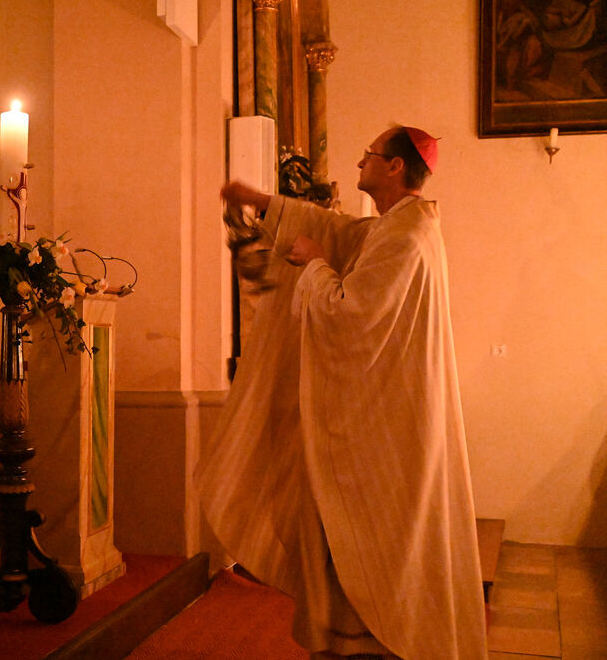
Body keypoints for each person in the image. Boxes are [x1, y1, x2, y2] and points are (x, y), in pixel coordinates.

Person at [198, 126, 487, 659]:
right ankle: (350, 640)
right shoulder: (396, 227)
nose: (360, 162)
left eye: (370, 154)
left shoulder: (406, 236)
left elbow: (350, 314)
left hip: (383, 430)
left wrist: (313, 264)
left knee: (371, 539)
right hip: (380, 421)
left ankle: (381, 642)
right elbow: (338, 231)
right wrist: (260, 201)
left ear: (395, 166)